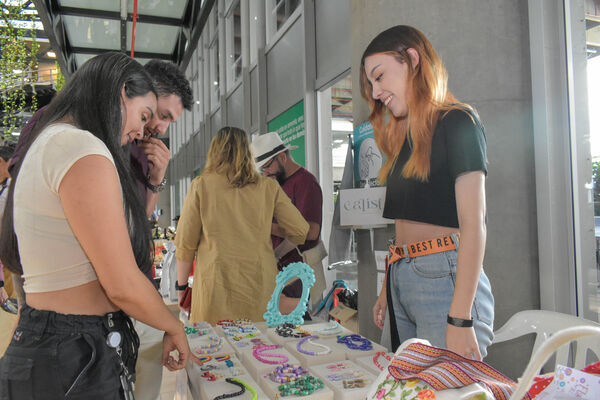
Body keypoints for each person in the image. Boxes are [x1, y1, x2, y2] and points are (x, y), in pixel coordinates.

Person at [0, 52, 197, 399]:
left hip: (57, 340)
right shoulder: (82, 148)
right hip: (74, 351)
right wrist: (173, 326)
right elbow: (120, 282)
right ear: (122, 93)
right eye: (146, 115)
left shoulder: (55, 138)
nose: (142, 130)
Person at [360, 25, 494, 359]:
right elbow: (404, 224)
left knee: (448, 389)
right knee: (408, 387)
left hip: (443, 277)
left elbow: (474, 224)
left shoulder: (459, 121)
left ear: (412, 60)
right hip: (402, 274)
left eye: (379, 77)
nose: (375, 93)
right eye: (371, 83)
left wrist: (461, 317)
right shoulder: (403, 137)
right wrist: (386, 287)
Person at [175, 127, 309, 324]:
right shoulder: (268, 187)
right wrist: (265, 231)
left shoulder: (201, 186)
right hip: (260, 287)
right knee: (260, 349)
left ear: (214, 152)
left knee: (216, 349)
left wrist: (181, 288)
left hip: (215, 288)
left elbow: (185, 245)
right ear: (248, 153)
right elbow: (300, 231)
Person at [251, 132, 325, 314]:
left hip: (300, 273)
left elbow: (311, 232)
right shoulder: (277, 183)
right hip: (281, 271)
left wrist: (269, 228)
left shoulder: (306, 183)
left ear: (282, 157)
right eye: (262, 170)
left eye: (267, 167)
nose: (266, 173)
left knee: (301, 331)